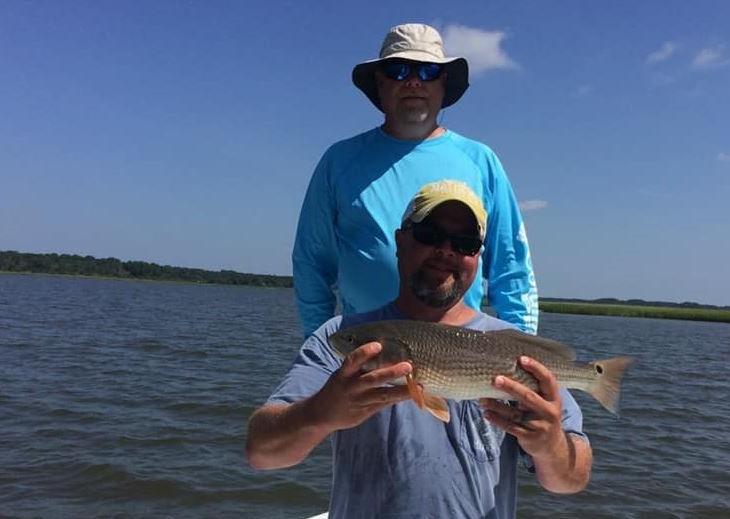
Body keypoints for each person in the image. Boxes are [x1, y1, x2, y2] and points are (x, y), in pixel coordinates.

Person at [249, 180, 591, 518]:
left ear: (478, 257)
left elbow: (572, 480)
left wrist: (551, 447)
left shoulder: (514, 348)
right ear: (400, 240)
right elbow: (262, 452)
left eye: (465, 242)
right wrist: (318, 412)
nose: (446, 250)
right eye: (430, 235)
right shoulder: (340, 336)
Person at [293, 23, 539, 339]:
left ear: (443, 82)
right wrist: (321, 347)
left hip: (460, 361)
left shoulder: (482, 161)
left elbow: (512, 268)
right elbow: (310, 263)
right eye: (397, 70)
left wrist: (520, 357)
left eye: (428, 71)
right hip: (364, 353)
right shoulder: (338, 160)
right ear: (379, 83)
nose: (412, 81)